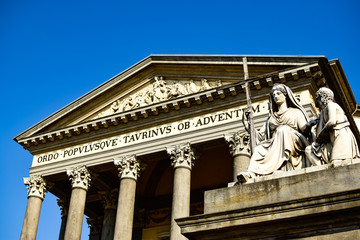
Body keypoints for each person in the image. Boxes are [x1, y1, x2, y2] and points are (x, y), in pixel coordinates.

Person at [238, 84, 312, 183]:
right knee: (259, 148)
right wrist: (247, 124)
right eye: (274, 95)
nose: (276, 96)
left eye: (278, 93)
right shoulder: (271, 118)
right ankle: (250, 173)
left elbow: (304, 129)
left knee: (283, 130)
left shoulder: (296, 112)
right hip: (274, 143)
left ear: (285, 95)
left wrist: (311, 124)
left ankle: (280, 166)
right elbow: (260, 137)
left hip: (295, 143)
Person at [305, 87, 360, 165]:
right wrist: (311, 124)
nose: (317, 104)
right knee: (309, 150)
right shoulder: (322, 113)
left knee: (336, 163)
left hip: (340, 136)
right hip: (331, 140)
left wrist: (321, 134)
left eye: (317, 99)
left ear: (323, 97)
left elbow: (332, 121)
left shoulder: (331, 105)